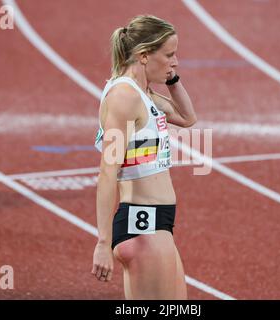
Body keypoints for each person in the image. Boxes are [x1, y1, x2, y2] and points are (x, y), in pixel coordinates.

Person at [91, 15, 197, 300]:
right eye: (170, 55)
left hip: (158, 223)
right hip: (143, 224)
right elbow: (107, 171)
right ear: (144, 56)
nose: (175, 62)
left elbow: (188, 118)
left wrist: (171, 77)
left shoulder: (144, 94)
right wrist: (103, 241)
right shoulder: (124, 97)